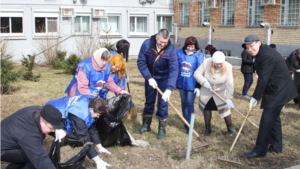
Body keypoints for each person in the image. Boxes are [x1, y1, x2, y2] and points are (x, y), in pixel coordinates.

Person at [242, 34, 297, 158]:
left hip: (279, 91)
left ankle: (260, 150)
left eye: (252, 46)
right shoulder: (262, 52)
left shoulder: (266, 55)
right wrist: (260, 95)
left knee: (266, 120)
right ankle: (276, 146)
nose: (250, 49)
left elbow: (264, 79)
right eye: (247, 48)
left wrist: (255, 97)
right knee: (274, 119)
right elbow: (264, 77)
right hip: (276, 89)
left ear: (259, 43)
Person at [134, 28, 179, 139]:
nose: (163, 44)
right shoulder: (147, 44)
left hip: (164, 79)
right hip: (151, 78)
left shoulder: (171, 49)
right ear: (156, 37)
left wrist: (169, 89)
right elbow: (141, 62)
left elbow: (174, 69)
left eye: (165, 42)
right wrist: (149, 78)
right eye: (161, 42)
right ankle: (146, 126)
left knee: (163, 104)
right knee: (149, 101)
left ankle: (161, 130)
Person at [45, 95, 112, 168]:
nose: (98, 117)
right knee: (61, 135)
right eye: (98, 115)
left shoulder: (91, 102)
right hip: (51, 112)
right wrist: (97, 160)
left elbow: (92, 128)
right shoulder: (78, 113)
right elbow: (84, 137)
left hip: (63, 109)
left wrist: (100, 147)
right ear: (91, 109)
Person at [1, 105, 66, 168]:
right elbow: (40, 158)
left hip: (11, 138)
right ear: (42, 121)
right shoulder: (28, 133)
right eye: (51, 128)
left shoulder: (39, 111)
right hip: (2, 149)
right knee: (33, 157)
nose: (53, 130)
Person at [194, 51, 235, 136]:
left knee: (225, 109)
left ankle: (229, 127)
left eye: (220, 64)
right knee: (207, 107)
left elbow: (230, 83)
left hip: (220, 91)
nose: (218, 65)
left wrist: (229, 98)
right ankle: (208, 128)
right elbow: (197, 74)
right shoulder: (206, 62)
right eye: (216, 64)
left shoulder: (228, 67)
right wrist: (204, 82)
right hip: (207, 90)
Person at [65, 48, 129, 98]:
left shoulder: (106, 67)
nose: (104, 63)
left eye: (106, 61)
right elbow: (82, 87)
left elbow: (109, 83)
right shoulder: (85, 67)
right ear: (98, 57)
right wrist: (92, 100)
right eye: (102, 60)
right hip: (78, 95)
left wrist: (120, 91)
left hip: (92, 95)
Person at [176, 36, 205, 133]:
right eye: (188, 46)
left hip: (192, 84)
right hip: (181, 83)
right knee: (183, 103)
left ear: (195, 46)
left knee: (189, 102)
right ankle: (186, 121)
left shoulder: (199, 56)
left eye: (192, 47)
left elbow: (200, 72)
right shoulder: (179, 53)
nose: (190, 48)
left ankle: (191, 123)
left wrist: (198, 86)